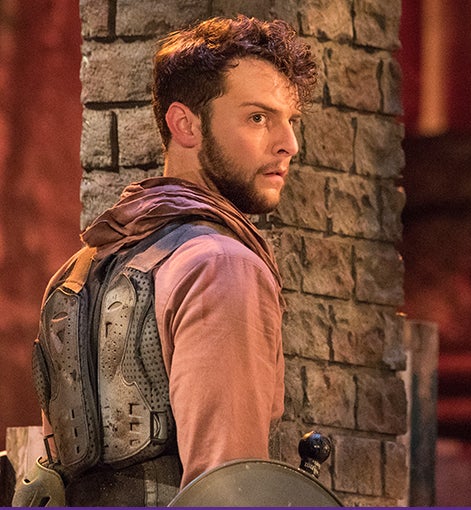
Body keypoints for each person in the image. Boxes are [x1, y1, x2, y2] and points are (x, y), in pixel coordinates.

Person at [13, 15, 318, 506]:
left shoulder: (76, 273)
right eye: (258, 117)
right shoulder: (218, 266)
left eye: (290, 121)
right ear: (185, 124)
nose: (289, 143)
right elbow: (226, 491)